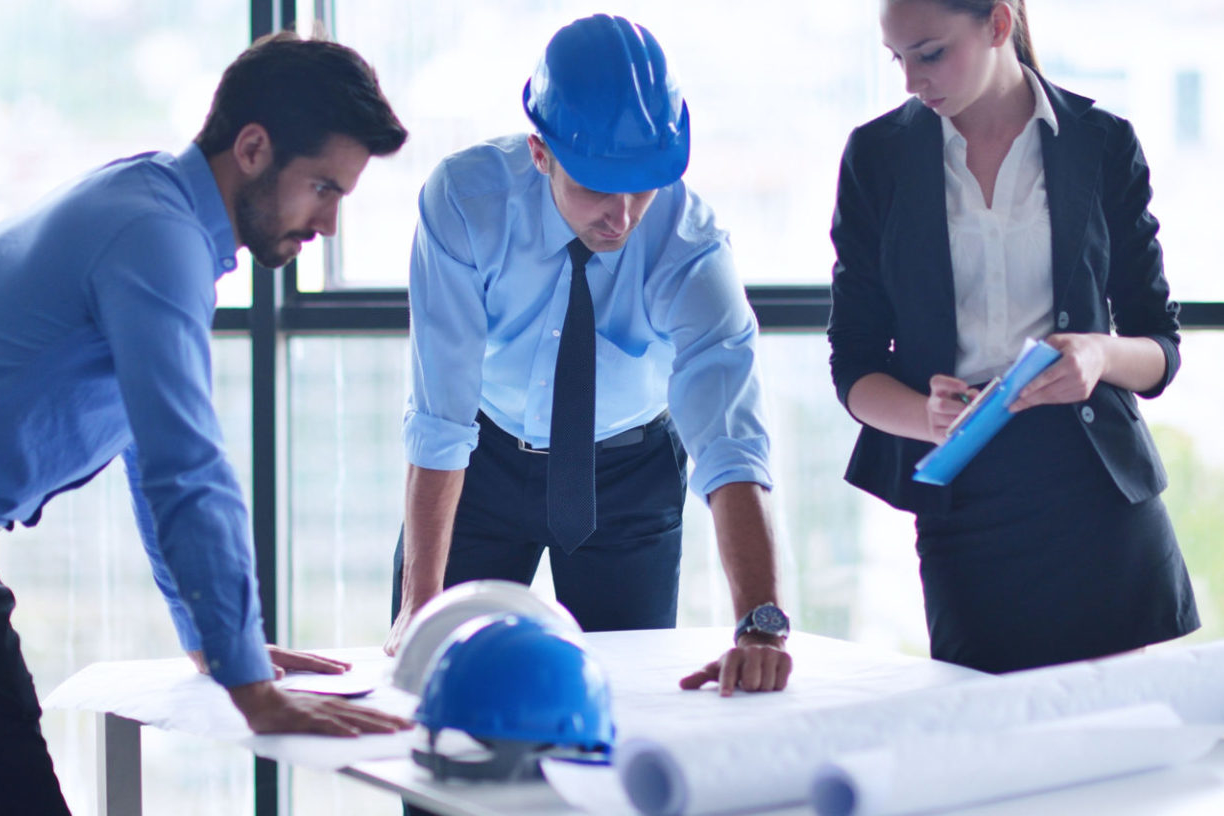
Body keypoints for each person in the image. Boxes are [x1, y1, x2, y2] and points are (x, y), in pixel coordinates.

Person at [0, 32, 411, 813]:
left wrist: (215, 643)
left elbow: (145, 457)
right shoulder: (156, 238)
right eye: (323, 188)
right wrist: (252, 689)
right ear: (253, 147)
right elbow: (186, 467)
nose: (328, 225)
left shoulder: (156, 209)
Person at [385, 14, 792, 696]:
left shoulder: (690, 248)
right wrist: (420, 603)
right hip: (480, 467)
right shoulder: (465, 202)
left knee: (624, 711)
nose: (624, 215)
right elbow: (441, 413)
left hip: (628, 475)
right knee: (439, 691)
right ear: (540, 152)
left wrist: (761, 623)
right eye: (599, 186)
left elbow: (730, 444)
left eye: (643, 185)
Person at [828, 0, 1199, 674]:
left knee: (1120, 741)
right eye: (897, 57)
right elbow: (852, 364)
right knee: (988, 737)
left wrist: (1096, 354)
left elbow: (1159, 349)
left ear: (999, 24)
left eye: (930, 52)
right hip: (964, 496)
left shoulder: (1101, 141)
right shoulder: (877, 157)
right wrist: (926, 417)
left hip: (1095, 489)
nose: (911, 79)